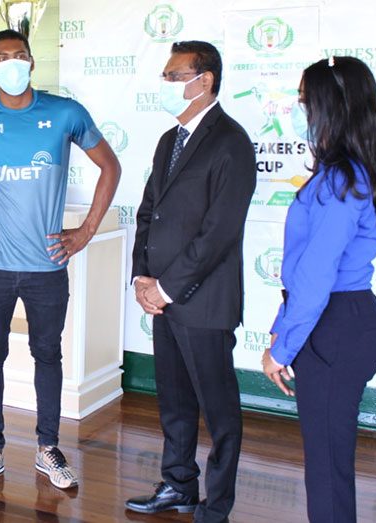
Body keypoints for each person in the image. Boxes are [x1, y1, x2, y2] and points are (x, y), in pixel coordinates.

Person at [0, 29, 120, 492]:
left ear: (31, 62)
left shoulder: (64, 112)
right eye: (2, 58)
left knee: (47, 356)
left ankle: (48, 448)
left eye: (20, 56)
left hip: (47, 268)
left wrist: (86, 231)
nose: (12, 63)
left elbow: (109, 166)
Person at [262, 56, 376, 523]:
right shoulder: (346, 173)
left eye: (305, 101)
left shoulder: (341, 179)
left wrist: (282, 350)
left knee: (326, 466)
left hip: (336, 328)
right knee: (329, 461)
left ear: (332, 107)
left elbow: (317, 278)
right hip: (340, 322)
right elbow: (304, 272)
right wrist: (283, 331)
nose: (301, 110)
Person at [125, 41, 256, 523]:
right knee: (174, 403)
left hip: (203, 303)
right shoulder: (168, 140)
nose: (166, 86)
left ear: (206, 81)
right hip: (162, 298)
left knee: (218, 411)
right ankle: (178, 484)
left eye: (174, 76)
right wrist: (142, 276)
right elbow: (148, 213)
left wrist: (167, 287)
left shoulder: (232, 144)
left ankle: (216, 505)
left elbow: (218, 233)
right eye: (165, 76)